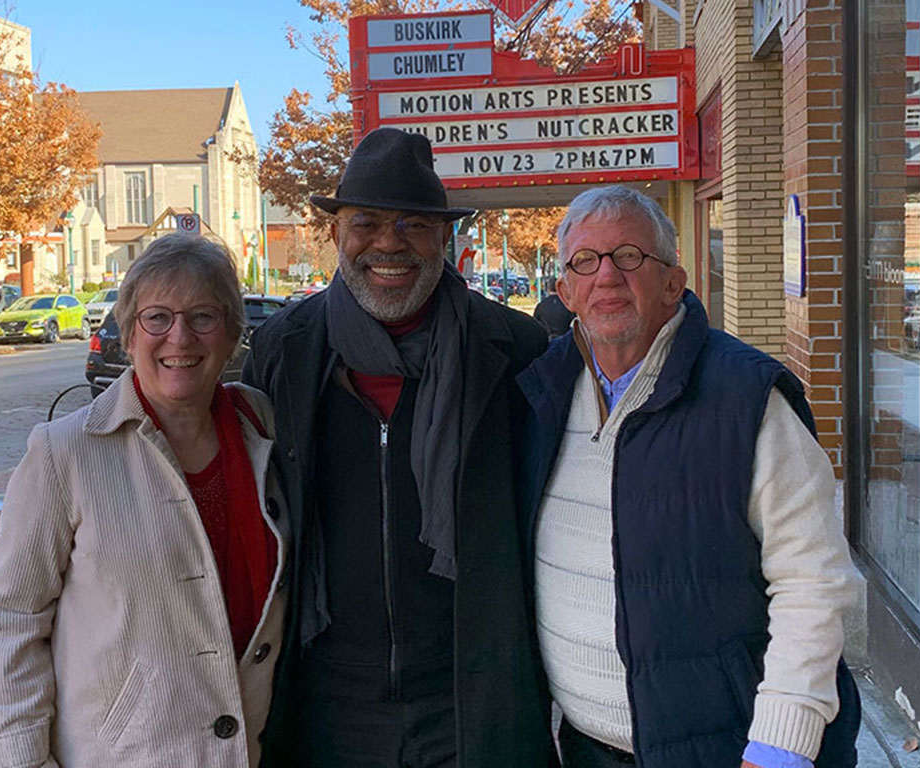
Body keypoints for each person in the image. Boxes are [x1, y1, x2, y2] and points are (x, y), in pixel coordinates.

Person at [517, 186, 861, 768]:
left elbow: (814, 583)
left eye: (629, 256)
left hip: (732, 750)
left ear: (674, 282)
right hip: (585, 749)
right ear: (565, 292)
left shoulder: (747, 397)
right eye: (585, 261)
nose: (606, 276)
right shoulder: (540, 393)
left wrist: (780, 746)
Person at [243, 127, 552, 767]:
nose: (388, 243)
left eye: (413, 224)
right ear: (335, 234)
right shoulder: (284, 351)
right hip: (323, 699)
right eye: (367, 222)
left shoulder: (513, 351)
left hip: (469, 694)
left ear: (445, 238)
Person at [0, 233, 289, 768]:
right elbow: (13, 619)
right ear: (128, 330)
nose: (180, 337)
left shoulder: (259, 424)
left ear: (234, 331)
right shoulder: (64, 452)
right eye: (157, 317)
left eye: (204, 317)